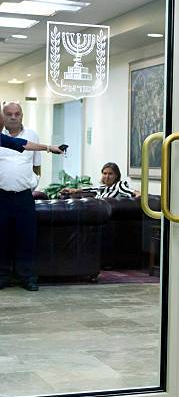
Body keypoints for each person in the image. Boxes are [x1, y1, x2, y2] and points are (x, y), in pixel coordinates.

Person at [0, 103, 63, 292]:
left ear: (22, 115)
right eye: (8, 114)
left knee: (26, 238)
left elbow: (23, 145)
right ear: (3, 117)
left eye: (16, 114)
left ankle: (27, 277)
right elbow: (19, 145)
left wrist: (49, 148)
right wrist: (50, 147)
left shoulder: (29, 134)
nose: (12, 117)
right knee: (1, 238)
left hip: (23, 197)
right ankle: (2, 277)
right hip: (1, 196)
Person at [62, 162, 139, 199]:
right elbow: (90, 188)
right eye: (105, 173)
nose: (107, 176)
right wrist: (74, 190)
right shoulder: (103, 187)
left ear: (116, 175)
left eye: (110, 174)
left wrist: (137, 193)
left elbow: (129, 191)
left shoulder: (119, 185)